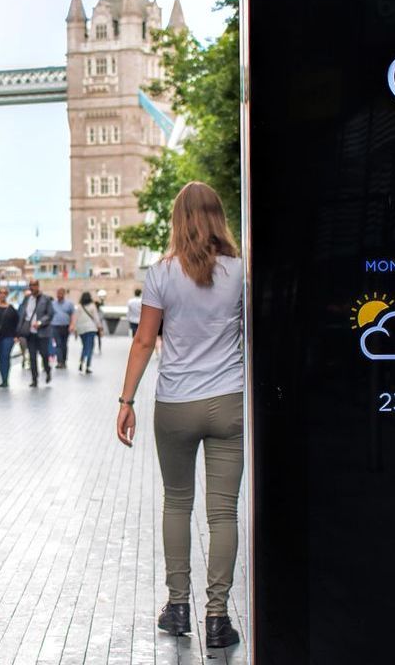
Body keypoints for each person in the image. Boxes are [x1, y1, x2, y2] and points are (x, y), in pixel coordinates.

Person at [115, 182, 246, 651]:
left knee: (177, 502)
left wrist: (126, 401)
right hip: (229, 399)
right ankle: (217, 617)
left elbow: (145, 341)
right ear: (217, 218)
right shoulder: (239, 271)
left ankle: (177, 607)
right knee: (223, 511)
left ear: (177, 220)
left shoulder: (161, 273)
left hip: (175, 403)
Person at [18, 279, 53, 387]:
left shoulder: (46, 299)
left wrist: (40, 322)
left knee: (44, 355)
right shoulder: (27, 299)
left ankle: (47, 370)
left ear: (38, 286)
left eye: (34, 285)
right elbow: (22, 314)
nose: (32, 287)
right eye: (30, 285)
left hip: (42, 332)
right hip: (30, 333)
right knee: (32, 356)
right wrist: (19, 331)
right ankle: (34, 379)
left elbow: (50, 314)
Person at [74, 290, 104, 374]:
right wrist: (100, 327)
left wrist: (76, 329)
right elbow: (96, 318)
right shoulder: (92, 306)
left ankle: (81, 361)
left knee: (84, 346)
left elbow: (76, 319)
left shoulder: (79, 306)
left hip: (81, 329)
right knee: (90, 347)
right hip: (91, 328)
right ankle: (87, 366)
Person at [49, 287, 75, 369]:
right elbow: (49, 314)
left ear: (64, 294)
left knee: (64, 344)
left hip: (65, 326)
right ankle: (59, 362)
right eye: (58, 293)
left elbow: (72, 315)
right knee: (58, 344)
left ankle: (64, 360)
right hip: (55, 326)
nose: (59, 295)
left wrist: (72, 325)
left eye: (61, 293)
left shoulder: (69, 304)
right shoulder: (53, 304)